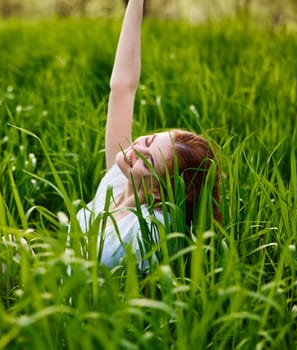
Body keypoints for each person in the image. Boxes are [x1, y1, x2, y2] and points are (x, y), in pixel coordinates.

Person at [74, 0, 221, 270]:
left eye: (148, 160)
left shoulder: (151, 231)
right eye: (149, 140)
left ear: (159, 194)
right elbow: (122, 88)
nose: (136, 148)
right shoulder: (119, 181)